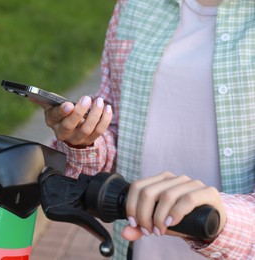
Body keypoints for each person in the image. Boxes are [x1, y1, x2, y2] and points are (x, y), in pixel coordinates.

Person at [32, 0, 254, 259]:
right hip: (139, 249)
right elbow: (120, 126)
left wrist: (220, 218)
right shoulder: (135, 5)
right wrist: (84, 140)